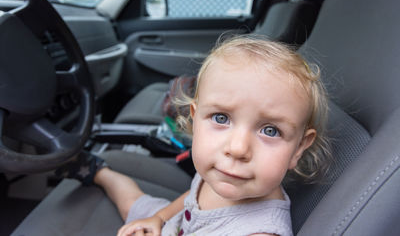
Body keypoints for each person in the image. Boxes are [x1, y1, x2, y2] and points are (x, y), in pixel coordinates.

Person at [57, 35, 331, 236]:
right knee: (132, 205)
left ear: (298, 148)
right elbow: (192, 197)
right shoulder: (224, 172)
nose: (237, 148)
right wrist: (159, 220)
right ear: (196, 117)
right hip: (176, 225)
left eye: (270, 130)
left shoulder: (259, 232)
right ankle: (101, 173)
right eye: (221, 118)